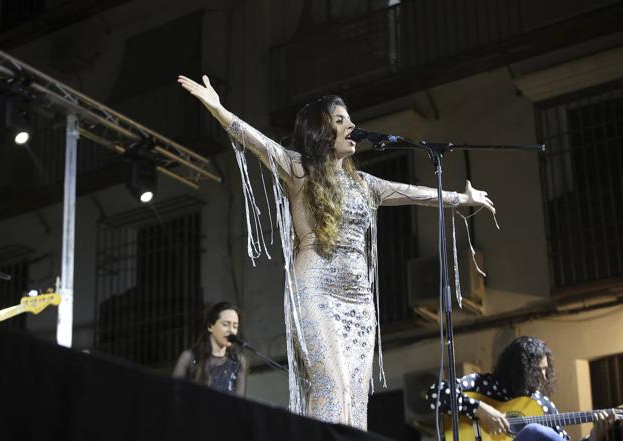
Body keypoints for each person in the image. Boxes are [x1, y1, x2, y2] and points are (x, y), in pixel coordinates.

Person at [177, 74, 495, 430]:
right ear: (321, 131)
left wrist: (461, 198)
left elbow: (415, 192)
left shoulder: (365, 184)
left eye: (350, 119)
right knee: (332, 384)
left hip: (358, 301)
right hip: (316, 288)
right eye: (340, 120)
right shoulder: (299, 170)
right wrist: (219, 110)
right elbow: (260, 144)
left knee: (355, 396)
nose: (352, 125)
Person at [426, 336, 616, 441]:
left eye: (546, 370)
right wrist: (480, 409)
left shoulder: (542, 405)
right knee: (534, 429)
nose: (544, 377)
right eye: (537, 371)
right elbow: (435, 394)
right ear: (518, 369)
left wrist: (593, 437)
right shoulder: (484, 385)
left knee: (535, 431)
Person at [173, 301, 247, 396]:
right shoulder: (189, 357)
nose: (231, 330)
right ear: (210, 326)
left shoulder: (238, 361)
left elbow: (240, 403)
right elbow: (174, 395)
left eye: (235, 326)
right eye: (225, 324)